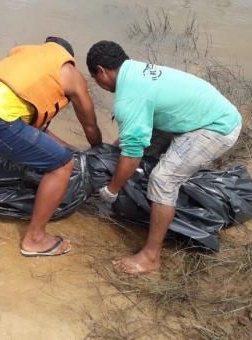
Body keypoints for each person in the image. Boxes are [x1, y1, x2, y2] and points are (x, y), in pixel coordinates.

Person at [86, 40, 242, 273]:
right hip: (204, 112)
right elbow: (134, 135)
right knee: (141, 152)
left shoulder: (128, 98)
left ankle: (150, 257)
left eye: (95, 79)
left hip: (216, 127)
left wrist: (111, 190)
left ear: (100, 71)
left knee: (163, 179)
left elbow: (131, 156)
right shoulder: (135, 71)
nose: (99, 84)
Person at [0, 37, 103, 257]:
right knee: (62, 166)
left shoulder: (26, 56)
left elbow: (36, 131)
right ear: (69, 59)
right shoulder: (70, 73)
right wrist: (96, 153)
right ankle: (35, 239)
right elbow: (90, 126)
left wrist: (69, 149)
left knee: (51, 155)